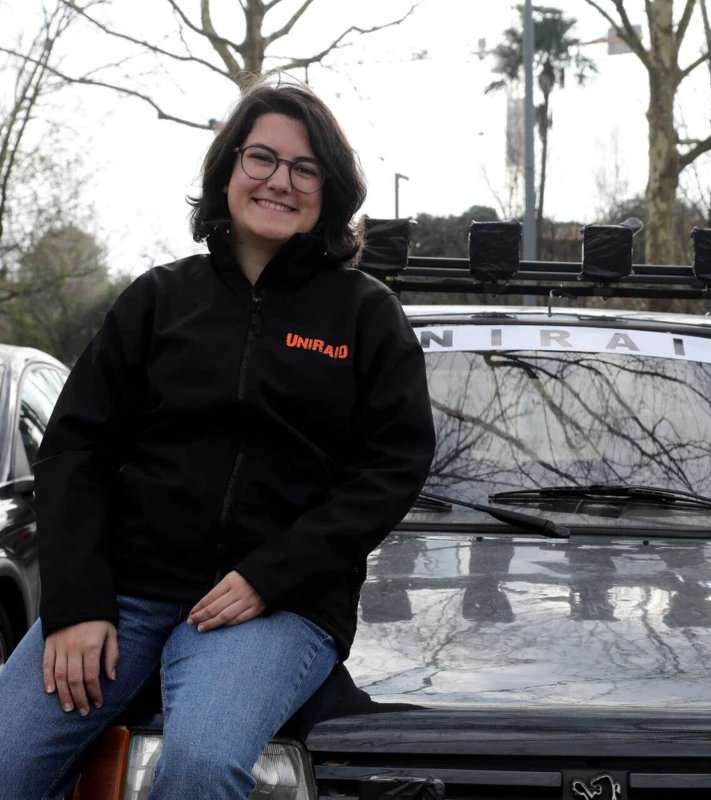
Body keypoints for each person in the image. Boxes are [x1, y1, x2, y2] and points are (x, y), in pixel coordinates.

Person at [0, 79, 436, 798]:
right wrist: (76, 604)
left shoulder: (367, 316)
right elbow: (76, 449)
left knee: (202, 765)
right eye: (262, 157)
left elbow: (392, 467)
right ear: (228, 169)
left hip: (277, 604)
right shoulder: (156, 300)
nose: (280, 181)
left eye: (305, 168)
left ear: (329, 191)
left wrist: (273, 575)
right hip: (126, 593)